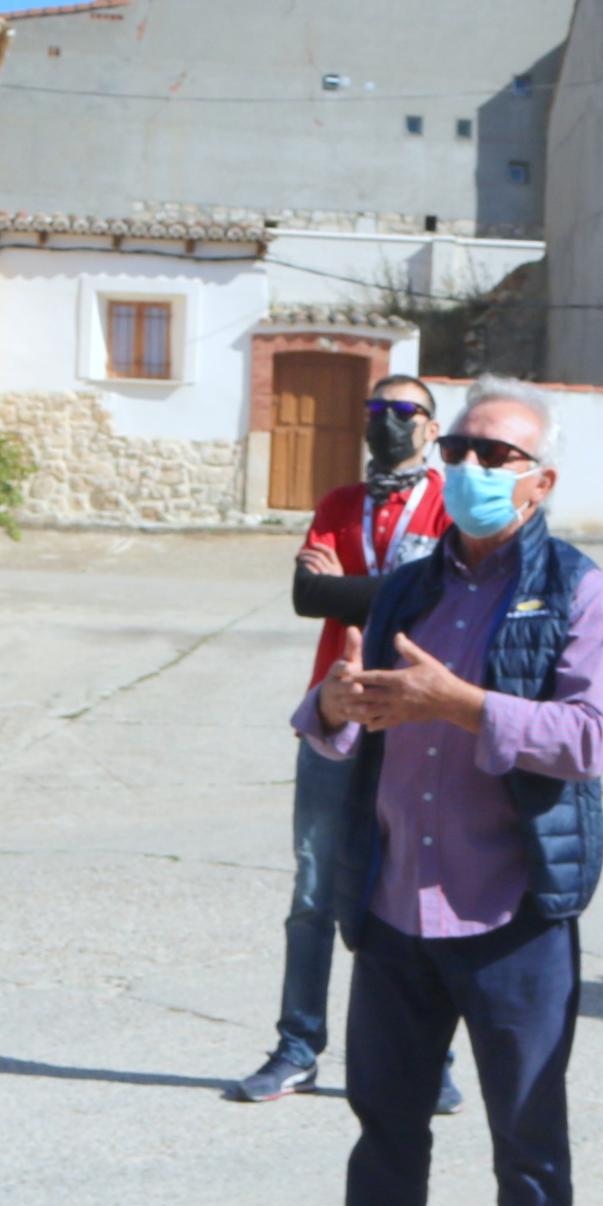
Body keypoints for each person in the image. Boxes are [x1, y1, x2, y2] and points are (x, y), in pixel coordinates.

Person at [255, 379, 603, 1206]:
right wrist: (330, 703)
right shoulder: (408, 587)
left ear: (541, 481)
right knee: (384, 1128)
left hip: (510, 911)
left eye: (495, 454)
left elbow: (589, 738)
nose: (468, 466)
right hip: (395, 907)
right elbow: (335, 717)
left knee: (526, 1140)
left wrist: (456, 704)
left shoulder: (578, 589)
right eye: (458, 446)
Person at [229, 373, 458, 1115]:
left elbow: (443, 594)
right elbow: (307, 595)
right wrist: (397, 584)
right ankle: (297, 1048)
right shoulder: (336, 504)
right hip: (337, 715)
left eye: (403, 413)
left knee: (420, 894)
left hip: (422, 721)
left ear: (430, 427)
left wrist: (359, 585)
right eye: (375, 411)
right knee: (312, 889)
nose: (387, 424)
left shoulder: (451, 503)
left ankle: (432, 1059)